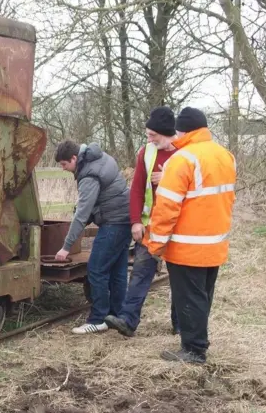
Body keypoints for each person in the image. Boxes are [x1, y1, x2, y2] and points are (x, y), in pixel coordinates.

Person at [145, 107, 236, 364]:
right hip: (215, 244)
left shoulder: (182, 159)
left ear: (182, 131)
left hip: (187, 247)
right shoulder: (225, 155)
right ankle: (199, 341)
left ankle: (193, 350)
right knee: (203, 296)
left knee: (189, 297)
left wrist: (156, 244)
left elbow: (167, 207)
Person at [105, 107, 181, 337]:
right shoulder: (146, 153)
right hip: (151, 227)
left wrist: (168, 178)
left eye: (152, 135)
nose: (149, 139)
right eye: (147, 135)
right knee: (139, 272)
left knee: (179, 276)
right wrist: (136, 221)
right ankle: (128, 320)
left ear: (166, 133)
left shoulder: (185, 153)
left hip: (179, 227)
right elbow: (137, 189)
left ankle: (180, 323)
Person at [54, 140, 131, 334]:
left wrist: (66, 246)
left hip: (113, 222)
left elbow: (82, 213)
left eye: (64, 164)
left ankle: (98, 319)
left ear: (74, 158)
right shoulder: (99, 157)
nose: (64, 169)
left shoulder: (88, 174)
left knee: (96, 269)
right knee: (117, 271)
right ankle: (117, 315)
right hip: (126, 219)